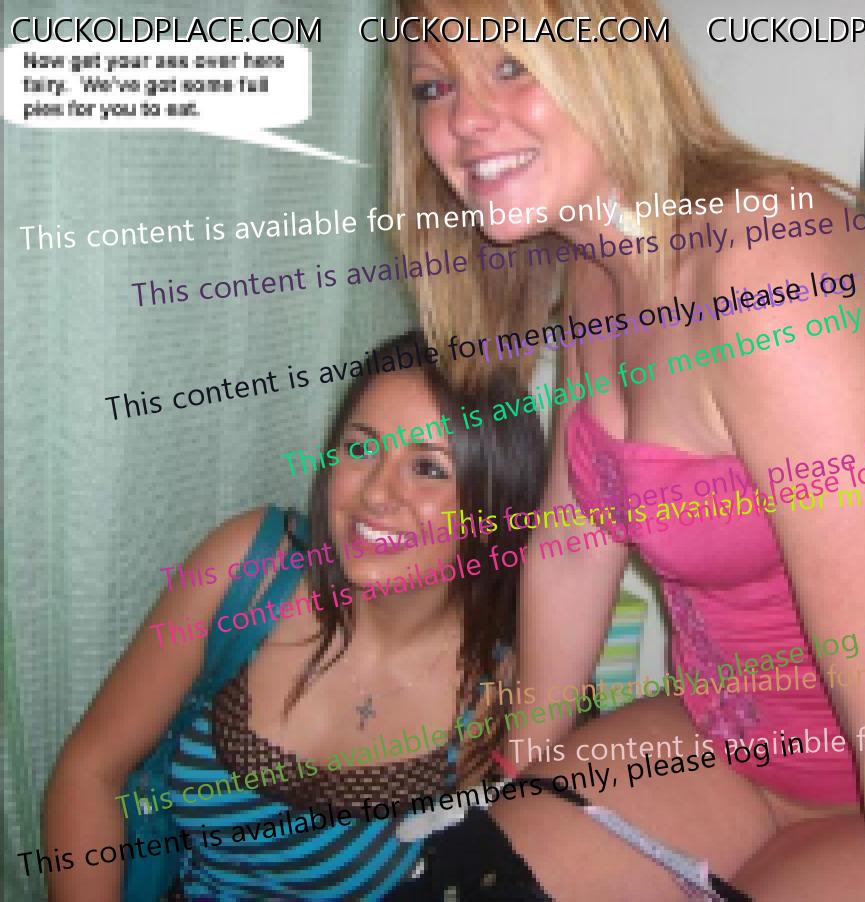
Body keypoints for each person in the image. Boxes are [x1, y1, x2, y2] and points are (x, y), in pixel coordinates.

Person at [386, 2, 865, 899]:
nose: (465, 120)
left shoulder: (773, 266)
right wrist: (521, 772)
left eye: (510, 66)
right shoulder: (595, 271)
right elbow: (575, 541)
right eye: (434, 87)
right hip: (731, 753)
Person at [41, 330, 545, 900]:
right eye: (361, 449)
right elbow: (90, 770)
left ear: (496, 500)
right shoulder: (249, 569)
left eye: (428, 468)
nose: (376, 493)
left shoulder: (504, 695)